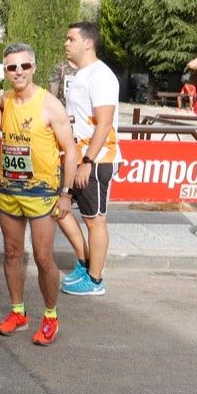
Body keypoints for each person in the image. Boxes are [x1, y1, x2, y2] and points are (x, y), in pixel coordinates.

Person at [0, 43, 78, 345]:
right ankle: (18, 312)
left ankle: (50, 316)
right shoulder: (6, 100)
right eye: (12, 67)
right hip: (10, 190)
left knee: (42, 257)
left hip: (41, 193)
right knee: (12, 253)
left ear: (34, 68)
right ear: (6, 72)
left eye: (24, 66)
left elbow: (71, 151)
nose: (18, 72)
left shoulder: (50, 105)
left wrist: (66, 194)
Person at [58, 21, 119, 298]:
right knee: (57, 207)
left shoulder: (101, 76)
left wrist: (88, 161)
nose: (66, 44)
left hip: (95, 160)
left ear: (88, 43)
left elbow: (104, 123)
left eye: (71, 39)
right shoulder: (81, 74)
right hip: (75, 158)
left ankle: (95, 280)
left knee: (95, 220)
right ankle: (85, 263)